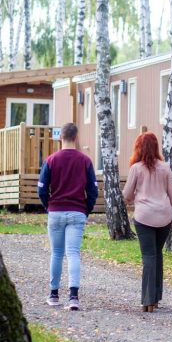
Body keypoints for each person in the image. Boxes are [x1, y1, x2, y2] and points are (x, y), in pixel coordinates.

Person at [38, 122, 98, 311]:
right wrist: (85, 210)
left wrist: (49, 206)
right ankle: (73, 297)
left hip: (55, 211)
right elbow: (93, 191)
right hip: (77, 212)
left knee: (56, 253)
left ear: (60, 137)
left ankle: (54, 294)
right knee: (73, 253)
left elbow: (41, 189)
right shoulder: (85, 161)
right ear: (76, 137)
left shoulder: (51, 160)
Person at [123, 132, 172, 312]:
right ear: (156, 147)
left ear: (138, 147)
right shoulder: (165, 167)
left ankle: (147, 300)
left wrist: (133, 199)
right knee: (157, 254)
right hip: (164, 216)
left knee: (149, 256)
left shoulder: (136, 169)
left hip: (144, 216)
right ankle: (156, 297)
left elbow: (127, 195)